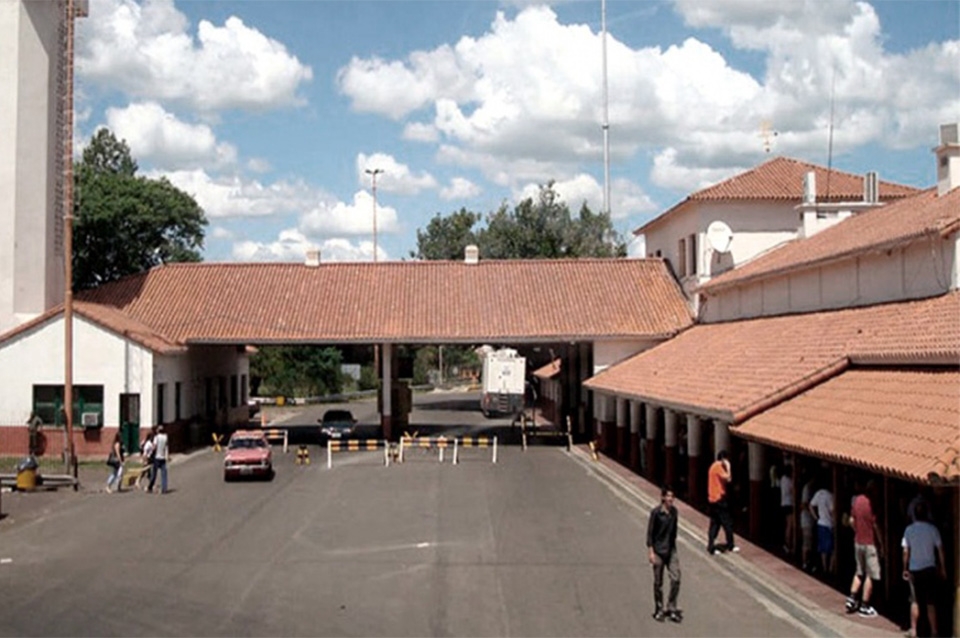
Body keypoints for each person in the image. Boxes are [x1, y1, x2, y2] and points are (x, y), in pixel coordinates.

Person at [902, 502, 945, 638]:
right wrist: (943, 568)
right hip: (929, 568)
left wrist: (905, 567)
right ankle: (934, 631)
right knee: (930, 601)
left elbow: (906, 551)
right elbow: (940, 550)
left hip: (914, 569)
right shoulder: (933, 530)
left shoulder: (909, 530)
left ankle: (914, 630)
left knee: (914, 600)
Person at [845, 481, 882, 617]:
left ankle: (852, 597)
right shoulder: (873, 503)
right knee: (870, 575)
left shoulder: (858, 500)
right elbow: (876, 526)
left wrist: (857, 531)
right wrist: (881, 543)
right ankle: (865, 605)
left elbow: (851, 520)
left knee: (859, 571)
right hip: (870, 543)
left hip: (858, 541)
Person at [647, 486, 682, 623]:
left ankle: (671, 607)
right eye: (668, 496)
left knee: (676, 578)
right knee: (658, 582)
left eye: (672, 496)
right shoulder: (656, 513)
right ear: (662, 497)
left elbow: (674, 532)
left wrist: (673, 549)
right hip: (658, 551)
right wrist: (651, 552)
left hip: (671, 550)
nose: (670, 499)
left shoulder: (674, 512)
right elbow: (650, 533)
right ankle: (659, 608)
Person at [706, 450, 738, 555]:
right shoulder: (718, 467)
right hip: (719, 498)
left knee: (715, 523)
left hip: (712, 498)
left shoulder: (712, 466)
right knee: (727, 522)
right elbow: (728, 478)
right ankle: (730, 544)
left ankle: (711, 546)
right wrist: (728, 467)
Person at [809, 480, 836, 576]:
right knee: (833, 548)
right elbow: (832, 511)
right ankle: (830, 568)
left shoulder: (819, 493)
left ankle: (824, 567)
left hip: (821, 523)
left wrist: (816, 517)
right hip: (829, 524)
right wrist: (834, 522)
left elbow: (811, 505)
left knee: (823, 548)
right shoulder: (830, 496)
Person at [800, 472, 817, 572]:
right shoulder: (807, 488)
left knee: (810, 543)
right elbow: (803, 504)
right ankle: (805, 562)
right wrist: (812, 512)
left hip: (811, 520)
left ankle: (808, 562)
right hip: (807, 520)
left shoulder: (811, 488)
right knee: (807, 543)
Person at [147, 425, 169, 494]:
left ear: (158, 431)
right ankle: (164, 488)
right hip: (163, 457)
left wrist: (150, 453)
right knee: (164, 474)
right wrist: (167, 456)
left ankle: (150, 487)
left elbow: (154, 447)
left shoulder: (156, 437)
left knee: (154, 474)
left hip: (157, 457)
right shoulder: (165, 437)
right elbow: (166, 447)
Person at [780, 464, 795, 556]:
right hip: (790, 504)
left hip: (783, 503)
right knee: (790, 525)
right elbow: (793, 491)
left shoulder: (783, 479)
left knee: (787, 525)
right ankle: (788, 544)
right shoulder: (790, 481)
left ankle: (786, 544)